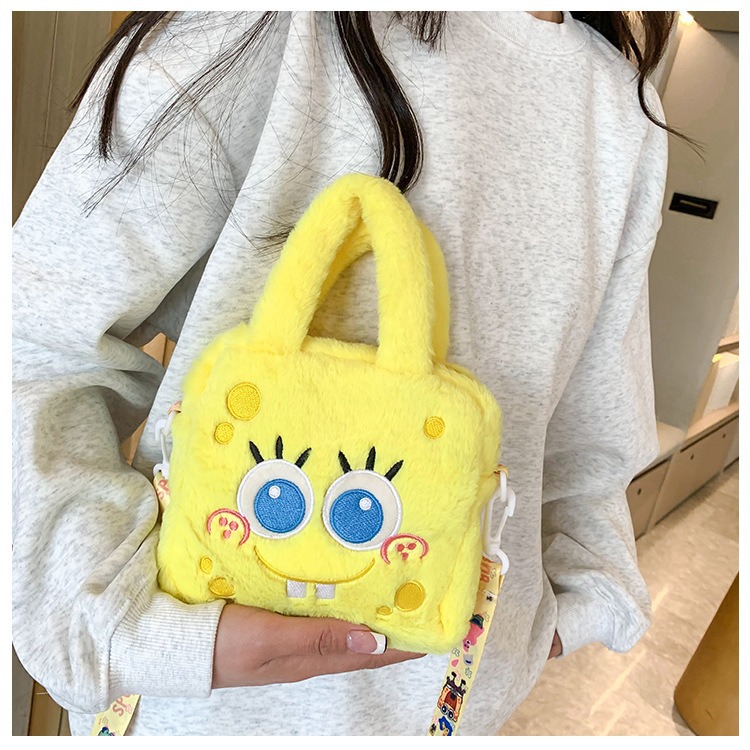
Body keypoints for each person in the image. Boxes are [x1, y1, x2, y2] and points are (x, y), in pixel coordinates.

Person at [12, 11, 677, 736]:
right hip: (198, 715)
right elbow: (36, 341)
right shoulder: (266, 26)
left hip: (452, 709)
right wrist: (112, 627)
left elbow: (586, 433)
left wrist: (554, 615)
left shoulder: (622, 110)